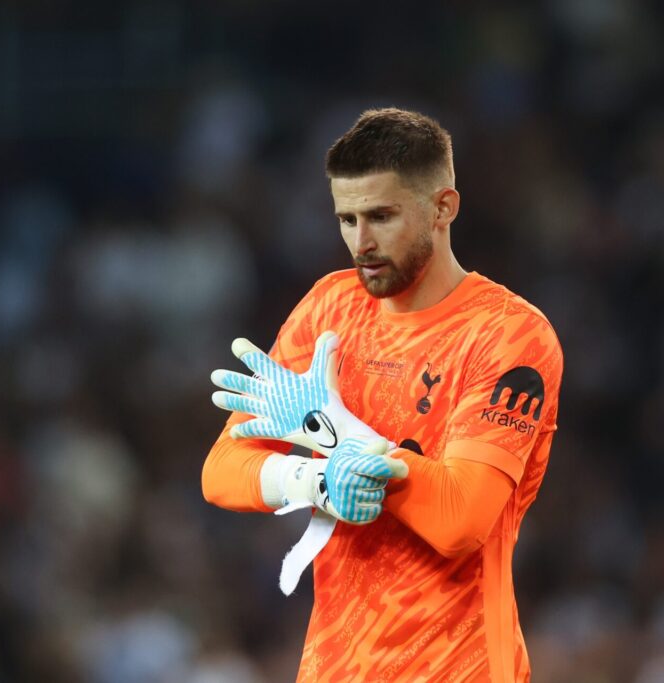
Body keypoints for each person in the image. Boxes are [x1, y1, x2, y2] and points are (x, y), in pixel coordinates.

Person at [202, 108, 563, 682]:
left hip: (460, 668)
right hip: (335, 668)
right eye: (346, 219)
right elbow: (222, 470)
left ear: (444, 208)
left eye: (381, 216)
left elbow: (458, 520)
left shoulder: (509, 334)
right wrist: (314, 482)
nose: (360, 241)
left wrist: (338, 435)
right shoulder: (329, 309)